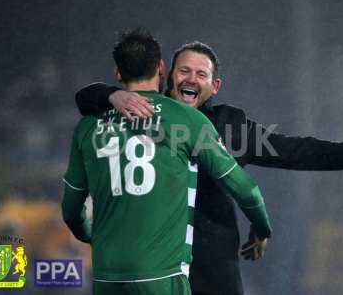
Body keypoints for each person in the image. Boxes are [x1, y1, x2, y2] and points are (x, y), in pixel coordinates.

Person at [75, 41, 343, 295]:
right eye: (184, 71)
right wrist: (111, 94)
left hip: (213, 264)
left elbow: (292, 151)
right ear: (167, 76)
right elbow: (86, 98)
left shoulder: (230, 127)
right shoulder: (136, 112)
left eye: (201, 74)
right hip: (153, 265)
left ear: (215, 86)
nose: (191, 79)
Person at [62, 28, 272, 295]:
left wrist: (90, 235)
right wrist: (262, 227)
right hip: (162, 277)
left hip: (107, 278)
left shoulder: (87, 127)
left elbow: (71, 209)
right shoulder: (187, 119)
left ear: (118, 73)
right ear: (162, 68)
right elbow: (246, 190)